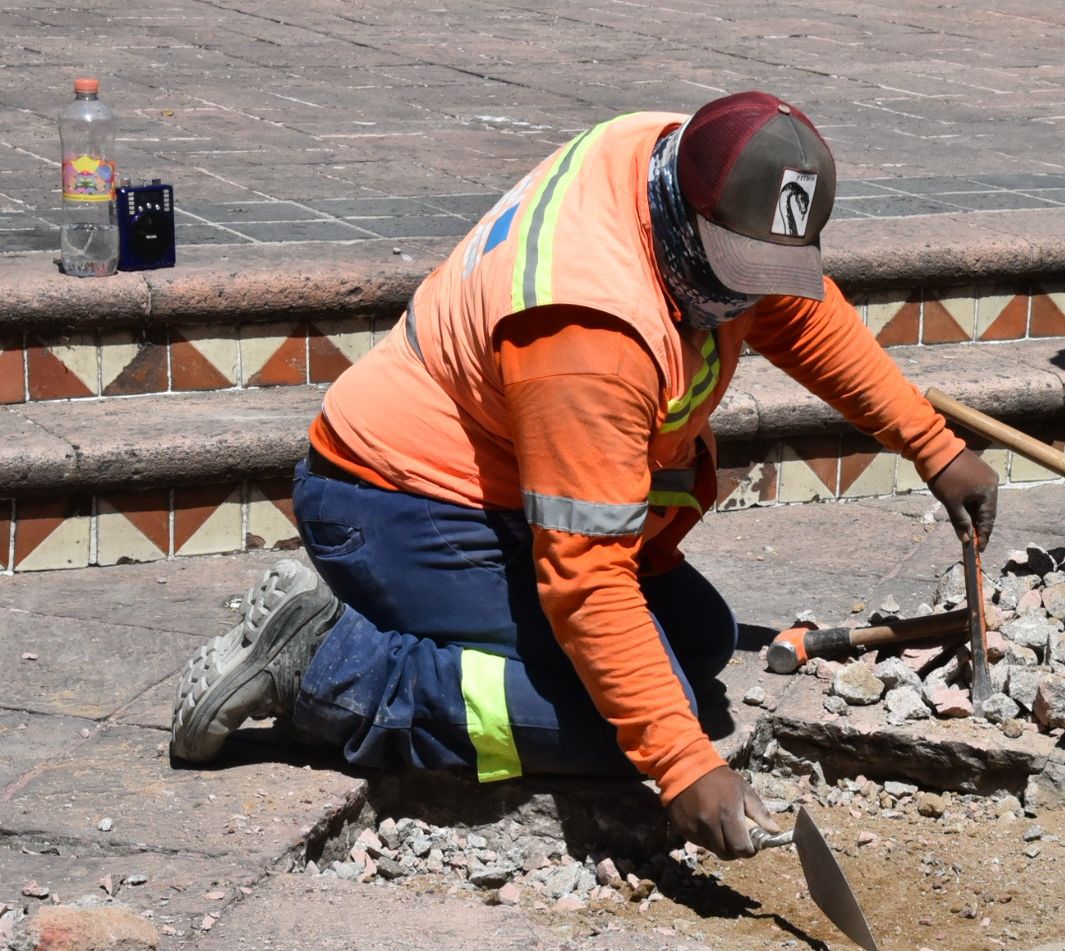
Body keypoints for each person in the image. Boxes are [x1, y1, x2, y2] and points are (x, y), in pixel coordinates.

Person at [169, 92, 999, 860]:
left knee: (700, 642)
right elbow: (587, 578)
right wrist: (680, 767)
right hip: (399, 502)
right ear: (688, 216)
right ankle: (330, 666)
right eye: (737, 275)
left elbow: (796, 309)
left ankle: (364, 637)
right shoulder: (588, 329)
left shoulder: (673, 160)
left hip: (501, 491)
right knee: (618, 730)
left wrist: (932, 445)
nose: (750, 299)